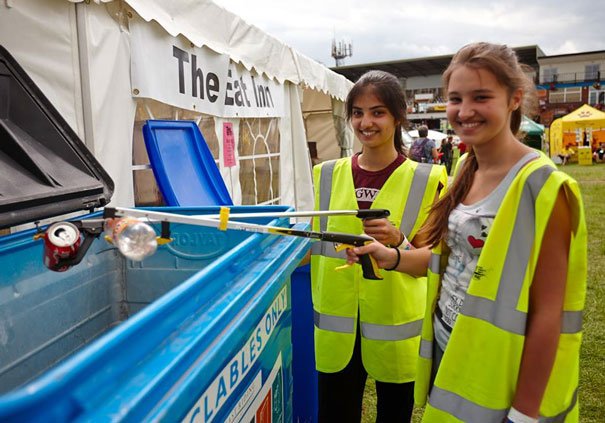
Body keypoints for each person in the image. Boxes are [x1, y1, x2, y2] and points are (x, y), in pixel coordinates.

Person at [346, 43, 586, 423]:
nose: (465, 110)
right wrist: (390, 256)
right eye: (455, 98)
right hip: (448, 344)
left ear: (514, 99)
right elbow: (449, 261)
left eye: (481, 97)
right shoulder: (465, 170)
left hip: (499, 360)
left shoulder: (543, 187)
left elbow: (548, 316)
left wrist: (524, 415)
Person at [311, 70, 447, 422]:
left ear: (398, 116)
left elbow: (431, 261)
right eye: (357, 112)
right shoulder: (325, 175)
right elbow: (311, 245)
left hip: (395, 326)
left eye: (377, 112)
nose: (366, 122)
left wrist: (398, 241)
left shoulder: (426, 179)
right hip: (337, 330)